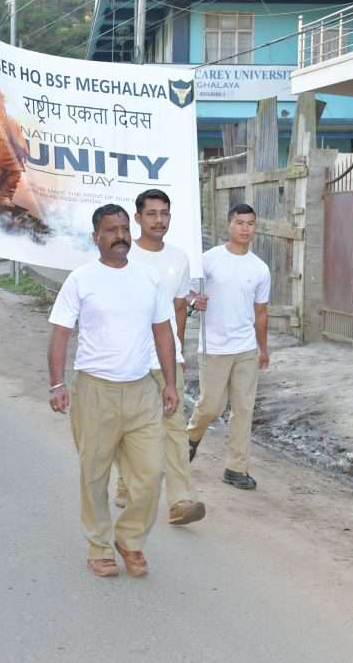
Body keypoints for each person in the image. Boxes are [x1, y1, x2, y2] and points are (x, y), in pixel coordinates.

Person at [48, 204, 179, 579]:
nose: (119, 236)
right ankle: (99, 545)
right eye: (110, 230)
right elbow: (59, 333)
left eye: (123, 229)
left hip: (141, 390)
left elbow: (163, 332)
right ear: (96, 237)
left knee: (151, 474)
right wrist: (57, 384)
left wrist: (169, 383)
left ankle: (130, 538)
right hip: (95, 391)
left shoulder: (149, 278)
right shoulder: (81, 279)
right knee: (94, 474)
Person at [113, 189, 205, 526]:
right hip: (127, 361)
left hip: (165, 360)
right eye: (151, 214)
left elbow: (179, 307)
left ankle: (181, 500)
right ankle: (125, 481)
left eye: (164, 214)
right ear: (137, 218)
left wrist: (177, 353)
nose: (159, 220)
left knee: (174, 429)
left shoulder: (179, 259)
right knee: (128, 427)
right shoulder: (123, 256)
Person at [187, 204, 270, 491]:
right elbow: (187, 293)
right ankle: (191, 438)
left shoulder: (260, 268)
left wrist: (263, 348)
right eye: (240, 223)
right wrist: (193, 301)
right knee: (211, 406)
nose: (246, 228)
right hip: (214, 347)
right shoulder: (209, 261)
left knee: (244, 409)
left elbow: (261, 312)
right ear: (228, 225)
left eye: (251, 223)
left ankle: (236, 468)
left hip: (245, 348)